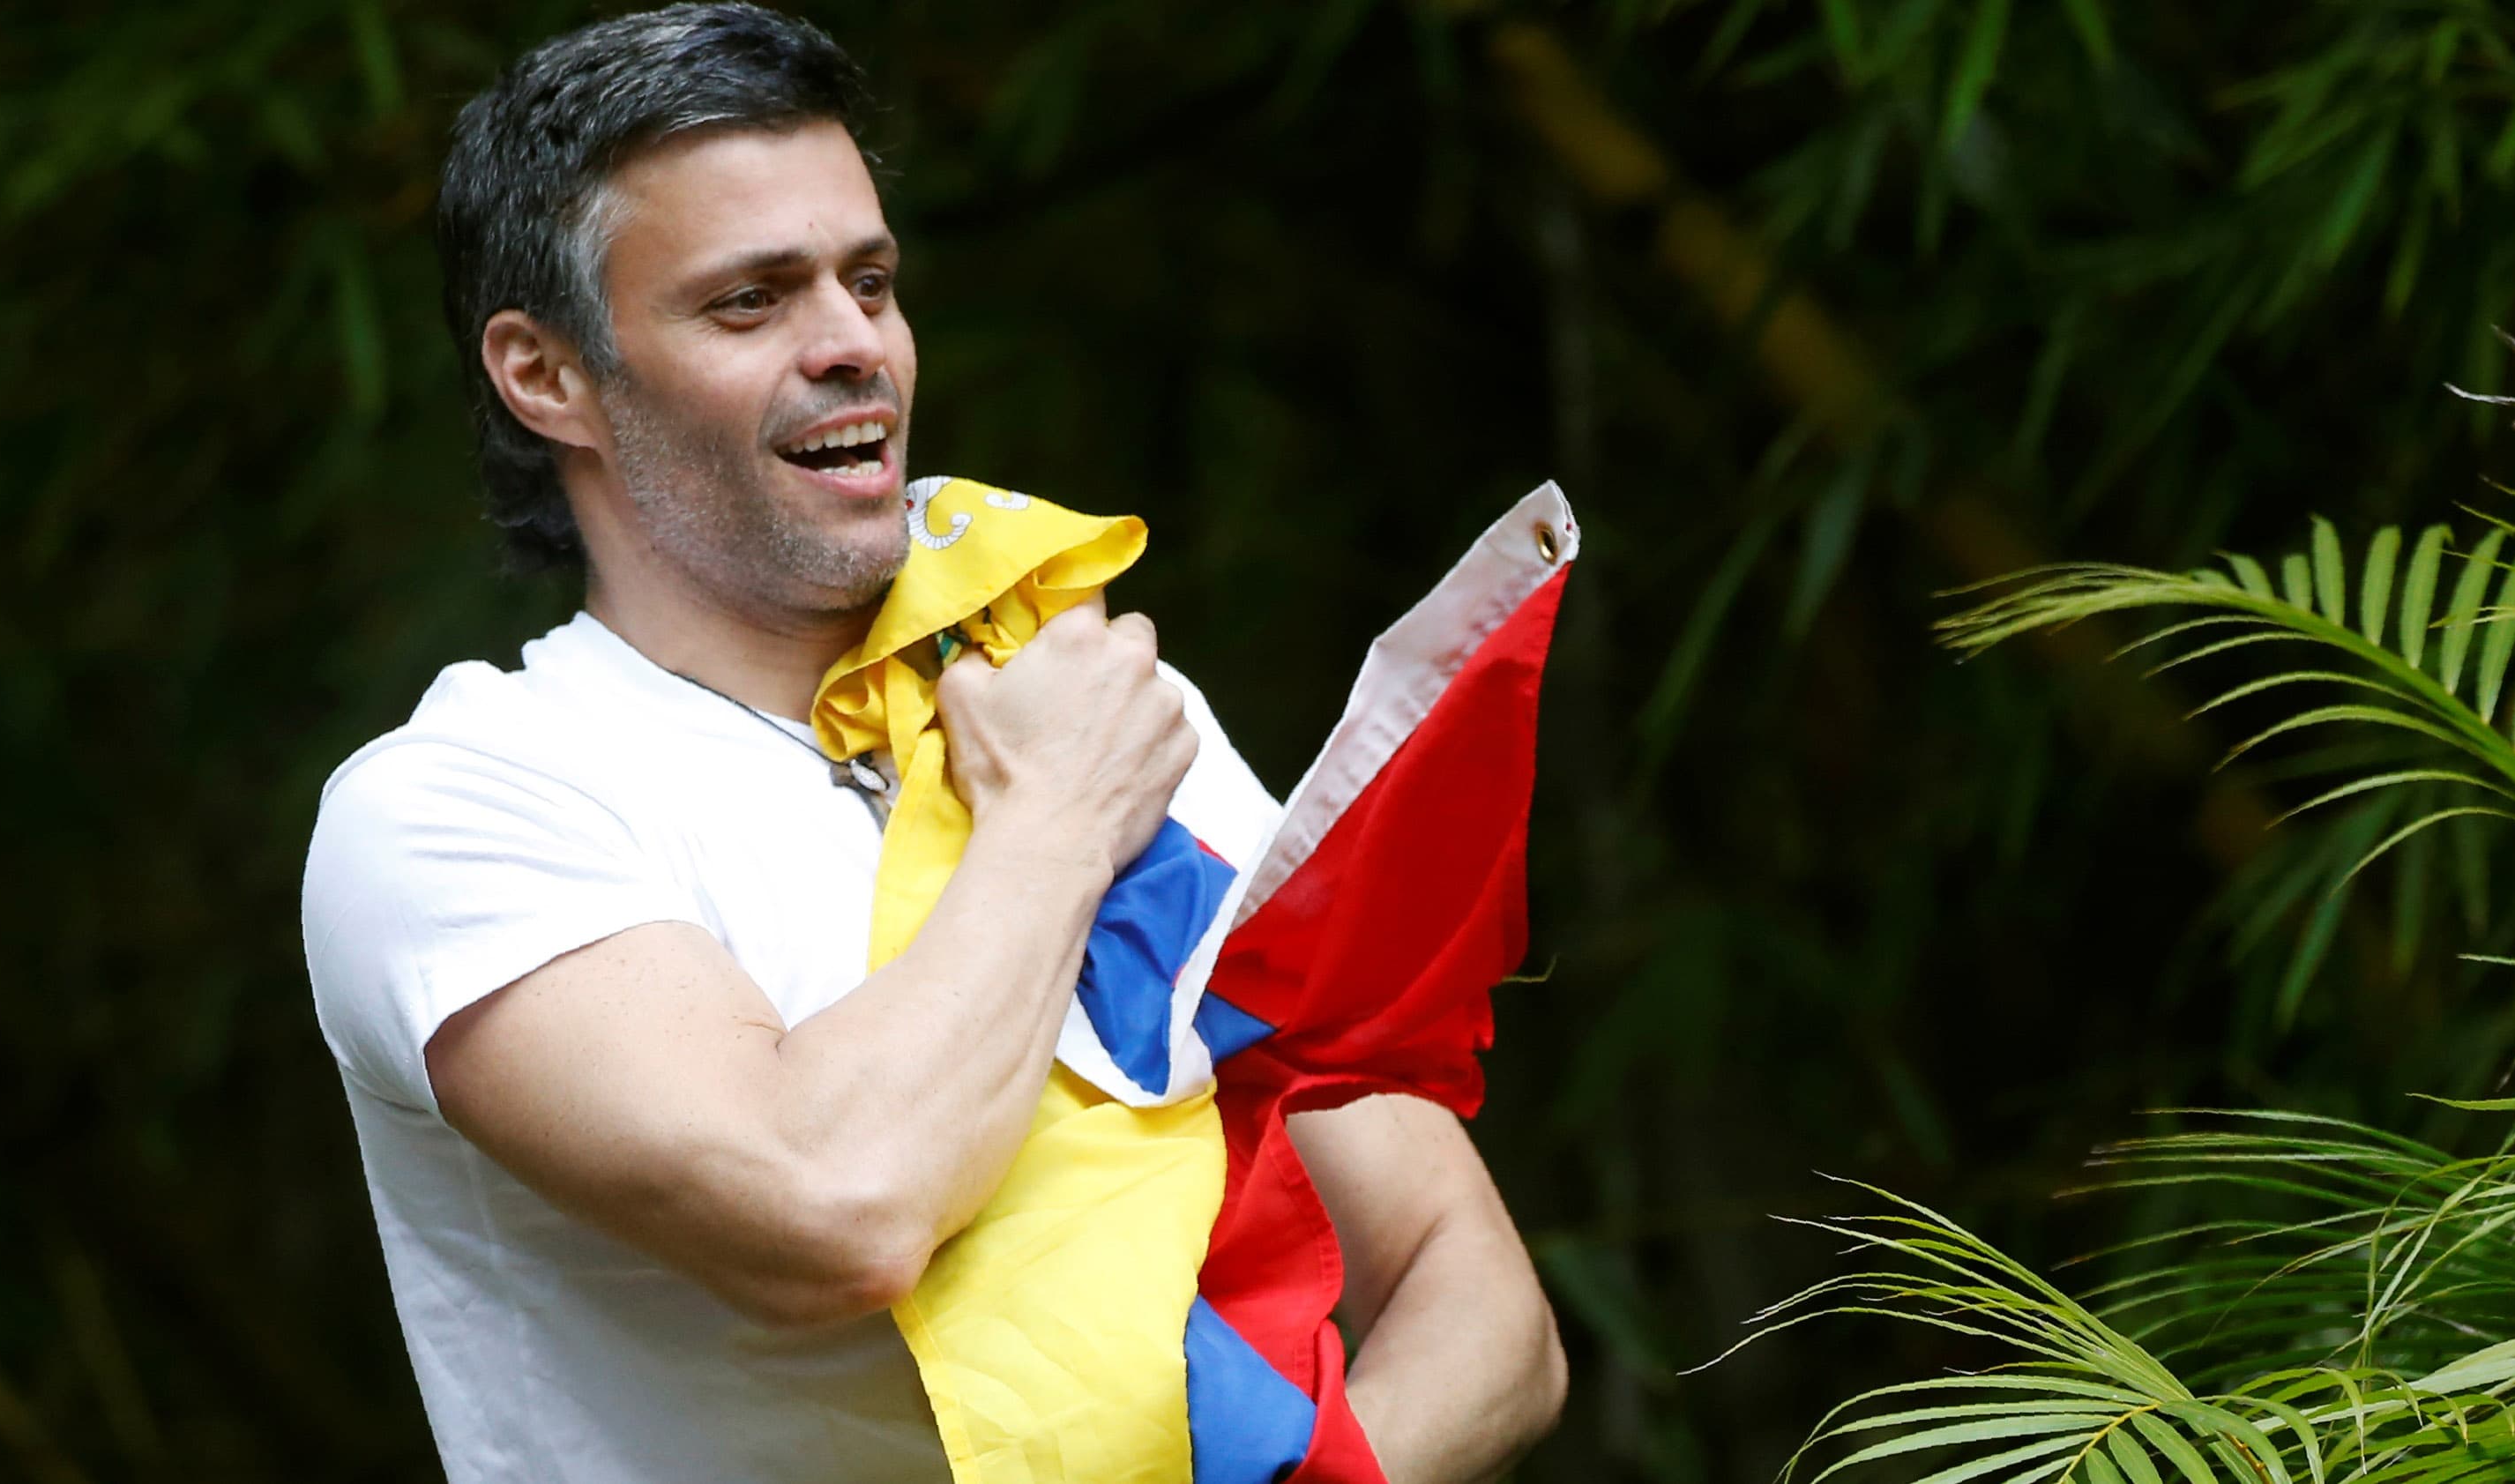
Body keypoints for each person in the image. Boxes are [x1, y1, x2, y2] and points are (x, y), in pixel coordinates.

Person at [299, 4, 1565, 1480]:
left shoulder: (1073, 690)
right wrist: (1049, 826)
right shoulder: (463, 805)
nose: (853, 345)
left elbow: (1474, 1298)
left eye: (871, 280)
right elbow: (831, 1208)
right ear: (548, 376)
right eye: (750, 301)